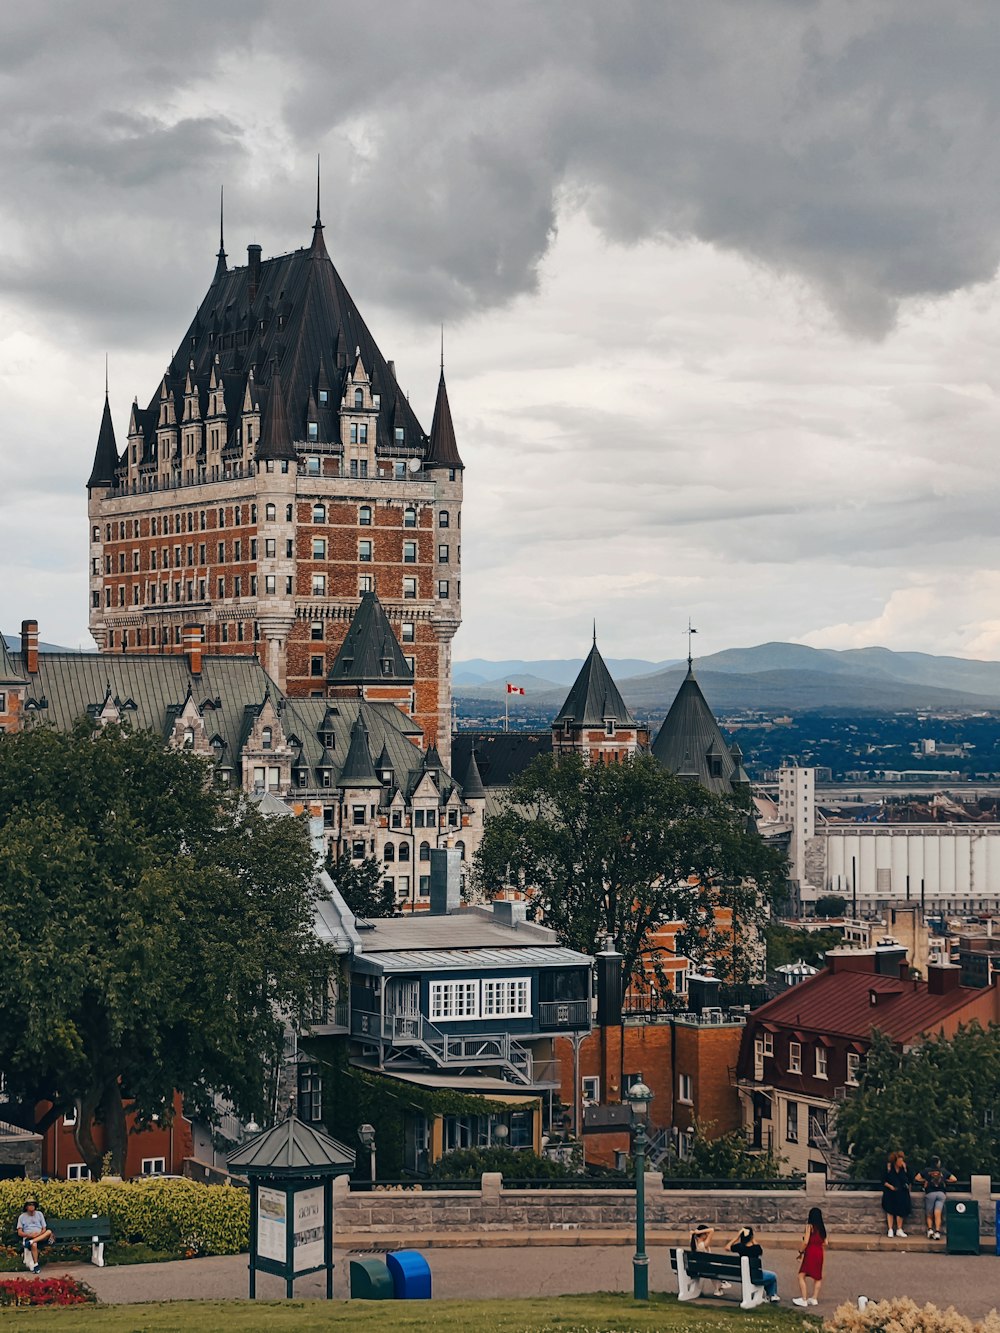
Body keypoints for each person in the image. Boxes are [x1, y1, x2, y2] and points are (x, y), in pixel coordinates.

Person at [727, 1225, 780, 1303]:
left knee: (768, 1276)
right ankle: (772, 1295)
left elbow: (727, 1247)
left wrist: (737, 1237)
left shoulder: (739, 1247)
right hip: (755, 1275)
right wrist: (753, 1238)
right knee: (772, 1276)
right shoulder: (756, 1248)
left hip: (742, 1274)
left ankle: (771, 1295)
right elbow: (759, 1250)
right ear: (751, 1237)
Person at [914, 1156, 956, 1240]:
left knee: (929, 1213)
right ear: (938, 1163)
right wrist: (945, 1180)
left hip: (930, 1193)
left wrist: (925, 1180)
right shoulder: (943, 1171)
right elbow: (954, 1179)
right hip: (941, 1193)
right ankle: (937, 1232)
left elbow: (917, 1178)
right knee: (938, 1213)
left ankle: (930, 1230)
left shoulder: (926, 1170)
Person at [792, 1206, 826, 1308]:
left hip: (810, 1252)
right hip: (819, 1252)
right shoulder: (822, 1228)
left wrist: (800, 1251)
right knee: (817, 1277)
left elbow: (806, 1241)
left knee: (801, 1275)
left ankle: (804, 1299)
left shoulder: (809, 1227)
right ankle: (814, 1298)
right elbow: (826, 1242)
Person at [690, 1222, 731, 1297]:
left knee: (713, 1266)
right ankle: (722, 1283)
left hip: (699, 1267)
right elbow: (712, 1230)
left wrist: (696, 1232)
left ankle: (718, 1289)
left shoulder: (695, 1244)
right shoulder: (703, 1245)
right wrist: (699, 1231)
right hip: (706, 1268)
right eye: (706, 1234)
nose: (707, 1235)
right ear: (702, 1235)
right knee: (715, 1266)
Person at [16, 1199, 53, 1274]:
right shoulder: (22, 1217)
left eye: (33, 1205)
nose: (32, 1206)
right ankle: (36, 1264)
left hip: (41, 1236)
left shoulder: (39, 1214)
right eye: (30, 1205)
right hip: (29, 1237)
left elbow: (44, 1228)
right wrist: (29, 1235)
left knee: (49, 1232)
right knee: (34, 1244)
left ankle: (32, 1241)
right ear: (26, 1207)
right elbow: (19, 1232)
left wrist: (38, 1234)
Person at [881, 1149, 912, 1237]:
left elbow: (910, 1179)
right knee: (890, 1210)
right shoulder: (888, 1168)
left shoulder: (904, 1168)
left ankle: (899, 1229)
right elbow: (883, 1180)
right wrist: (890, 1186)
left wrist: (905, 1170)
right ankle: (890, 1229)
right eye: (900, 1160)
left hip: (902, 1192)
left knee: (900, 1211)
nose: (901, 1162)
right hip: (890, 1192)